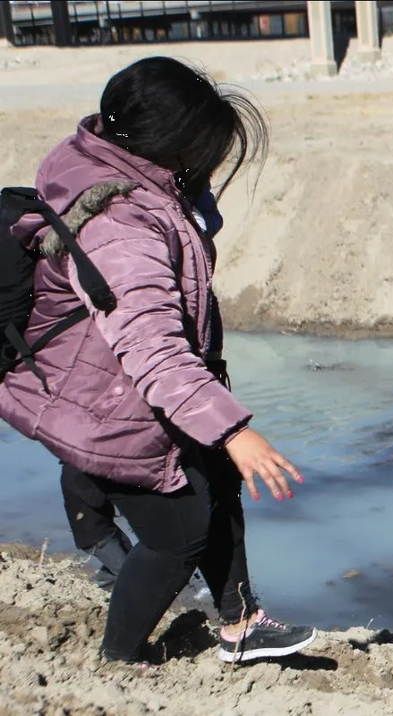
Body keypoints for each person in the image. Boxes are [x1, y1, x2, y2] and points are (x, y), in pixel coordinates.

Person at [0, 57, 314, 664]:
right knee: (181, 533)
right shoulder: (119, 225)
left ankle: (240, 624)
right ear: (168, 143)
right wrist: (235, 431)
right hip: (108, 402)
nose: (210, 162)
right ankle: (119, 660)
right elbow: (153, 347)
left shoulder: (124, 168)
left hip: (124, 384)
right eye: (203, 148)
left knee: (218, 480)